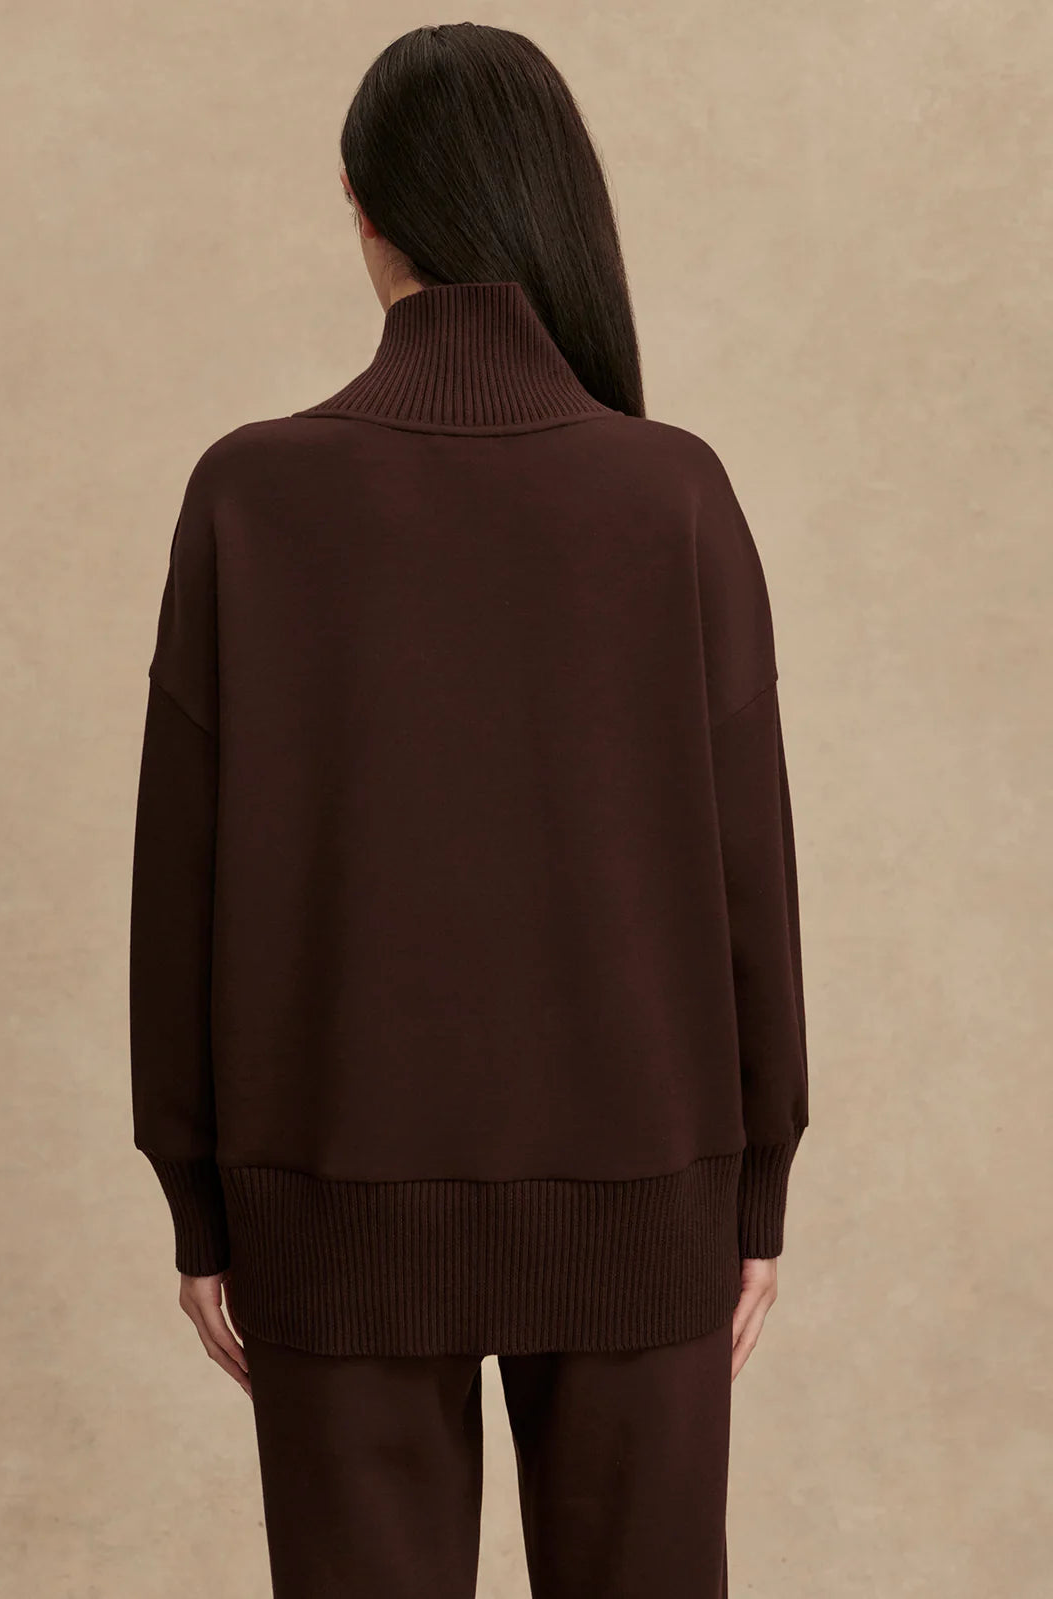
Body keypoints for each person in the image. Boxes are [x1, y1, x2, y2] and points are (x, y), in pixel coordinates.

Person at [128, 21, 808, 1599]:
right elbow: (750, 880)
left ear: (363, 207)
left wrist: (202, 1204)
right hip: (646, 1197)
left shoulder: (250, 497)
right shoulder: (672, 493)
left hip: (330, 1203)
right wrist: (754, 1183)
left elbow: (180, 888)